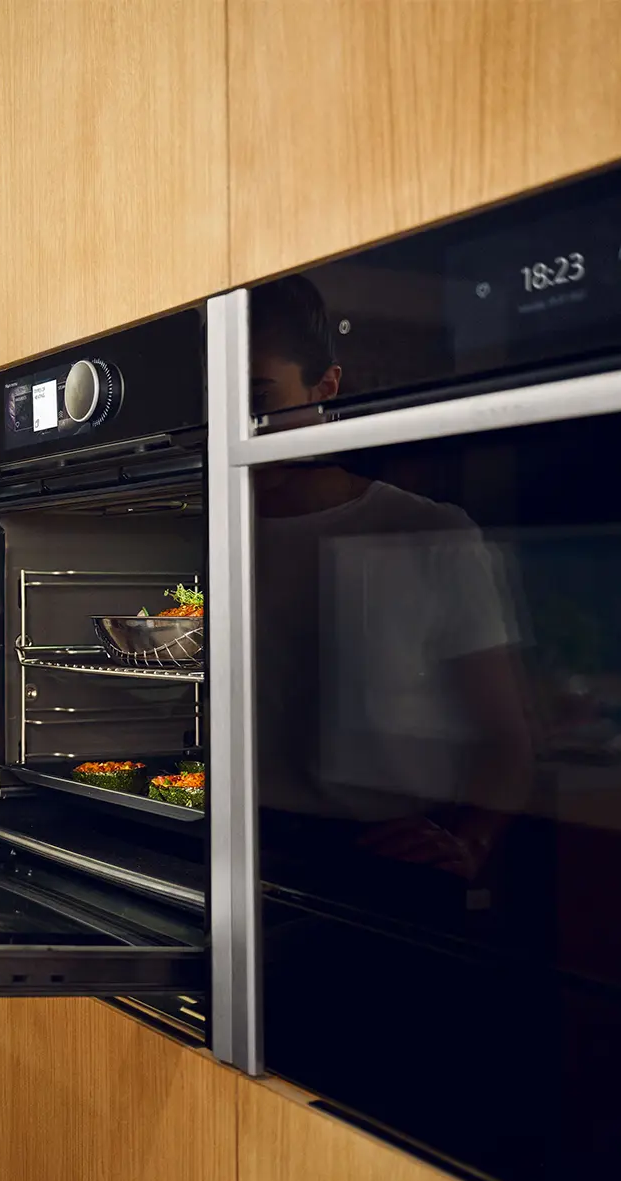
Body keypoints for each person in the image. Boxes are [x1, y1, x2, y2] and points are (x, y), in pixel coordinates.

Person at [249, 275, 532, 883]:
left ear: (324, 389)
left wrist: (471, 843)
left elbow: (506, 739)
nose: (238, 429)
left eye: (259, 401)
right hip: (227, 848)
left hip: (379, 860)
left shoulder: (425, 531)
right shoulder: (205, 531)